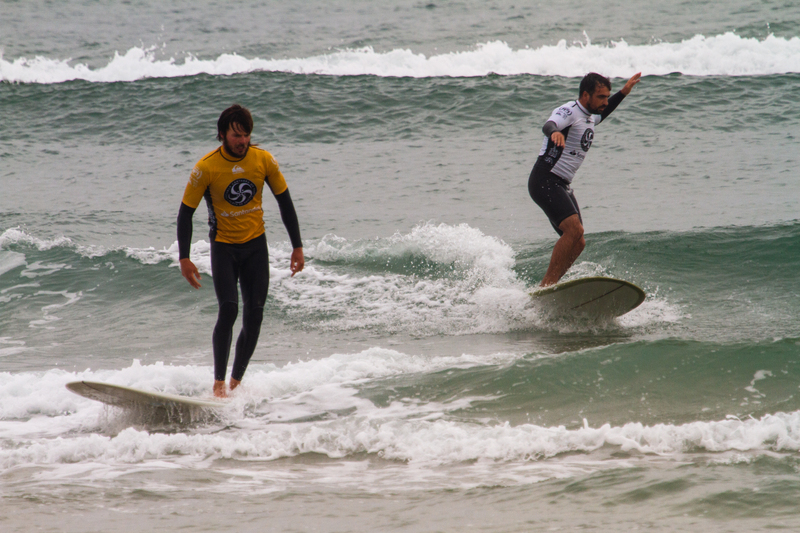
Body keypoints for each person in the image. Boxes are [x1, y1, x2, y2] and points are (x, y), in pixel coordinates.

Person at [177, 104, 304, 398]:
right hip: (224, 248)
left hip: (255, 246)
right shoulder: (205, 168)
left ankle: (236, 382)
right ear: (222, 135)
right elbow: (185, 214)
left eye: (246, 135)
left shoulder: (264, 160)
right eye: (236, 135)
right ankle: (218, 384)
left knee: (255, 314)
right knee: (229, 309)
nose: (242, 141)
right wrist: (184, 257)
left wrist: (297, 246)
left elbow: (285, 203)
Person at [529, 72, 642, 287]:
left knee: (579, 242)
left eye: (607, 97)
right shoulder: (570, 111)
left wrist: (623, 93)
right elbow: (549, 124)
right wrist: (554, 133)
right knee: (574, 230)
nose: (605, 102)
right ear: (585, 95)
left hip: (562, 184)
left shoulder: (590, 116)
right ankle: (547, 284)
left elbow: (604, 113)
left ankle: (551, 286)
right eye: (600, 97)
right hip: (545, 179)